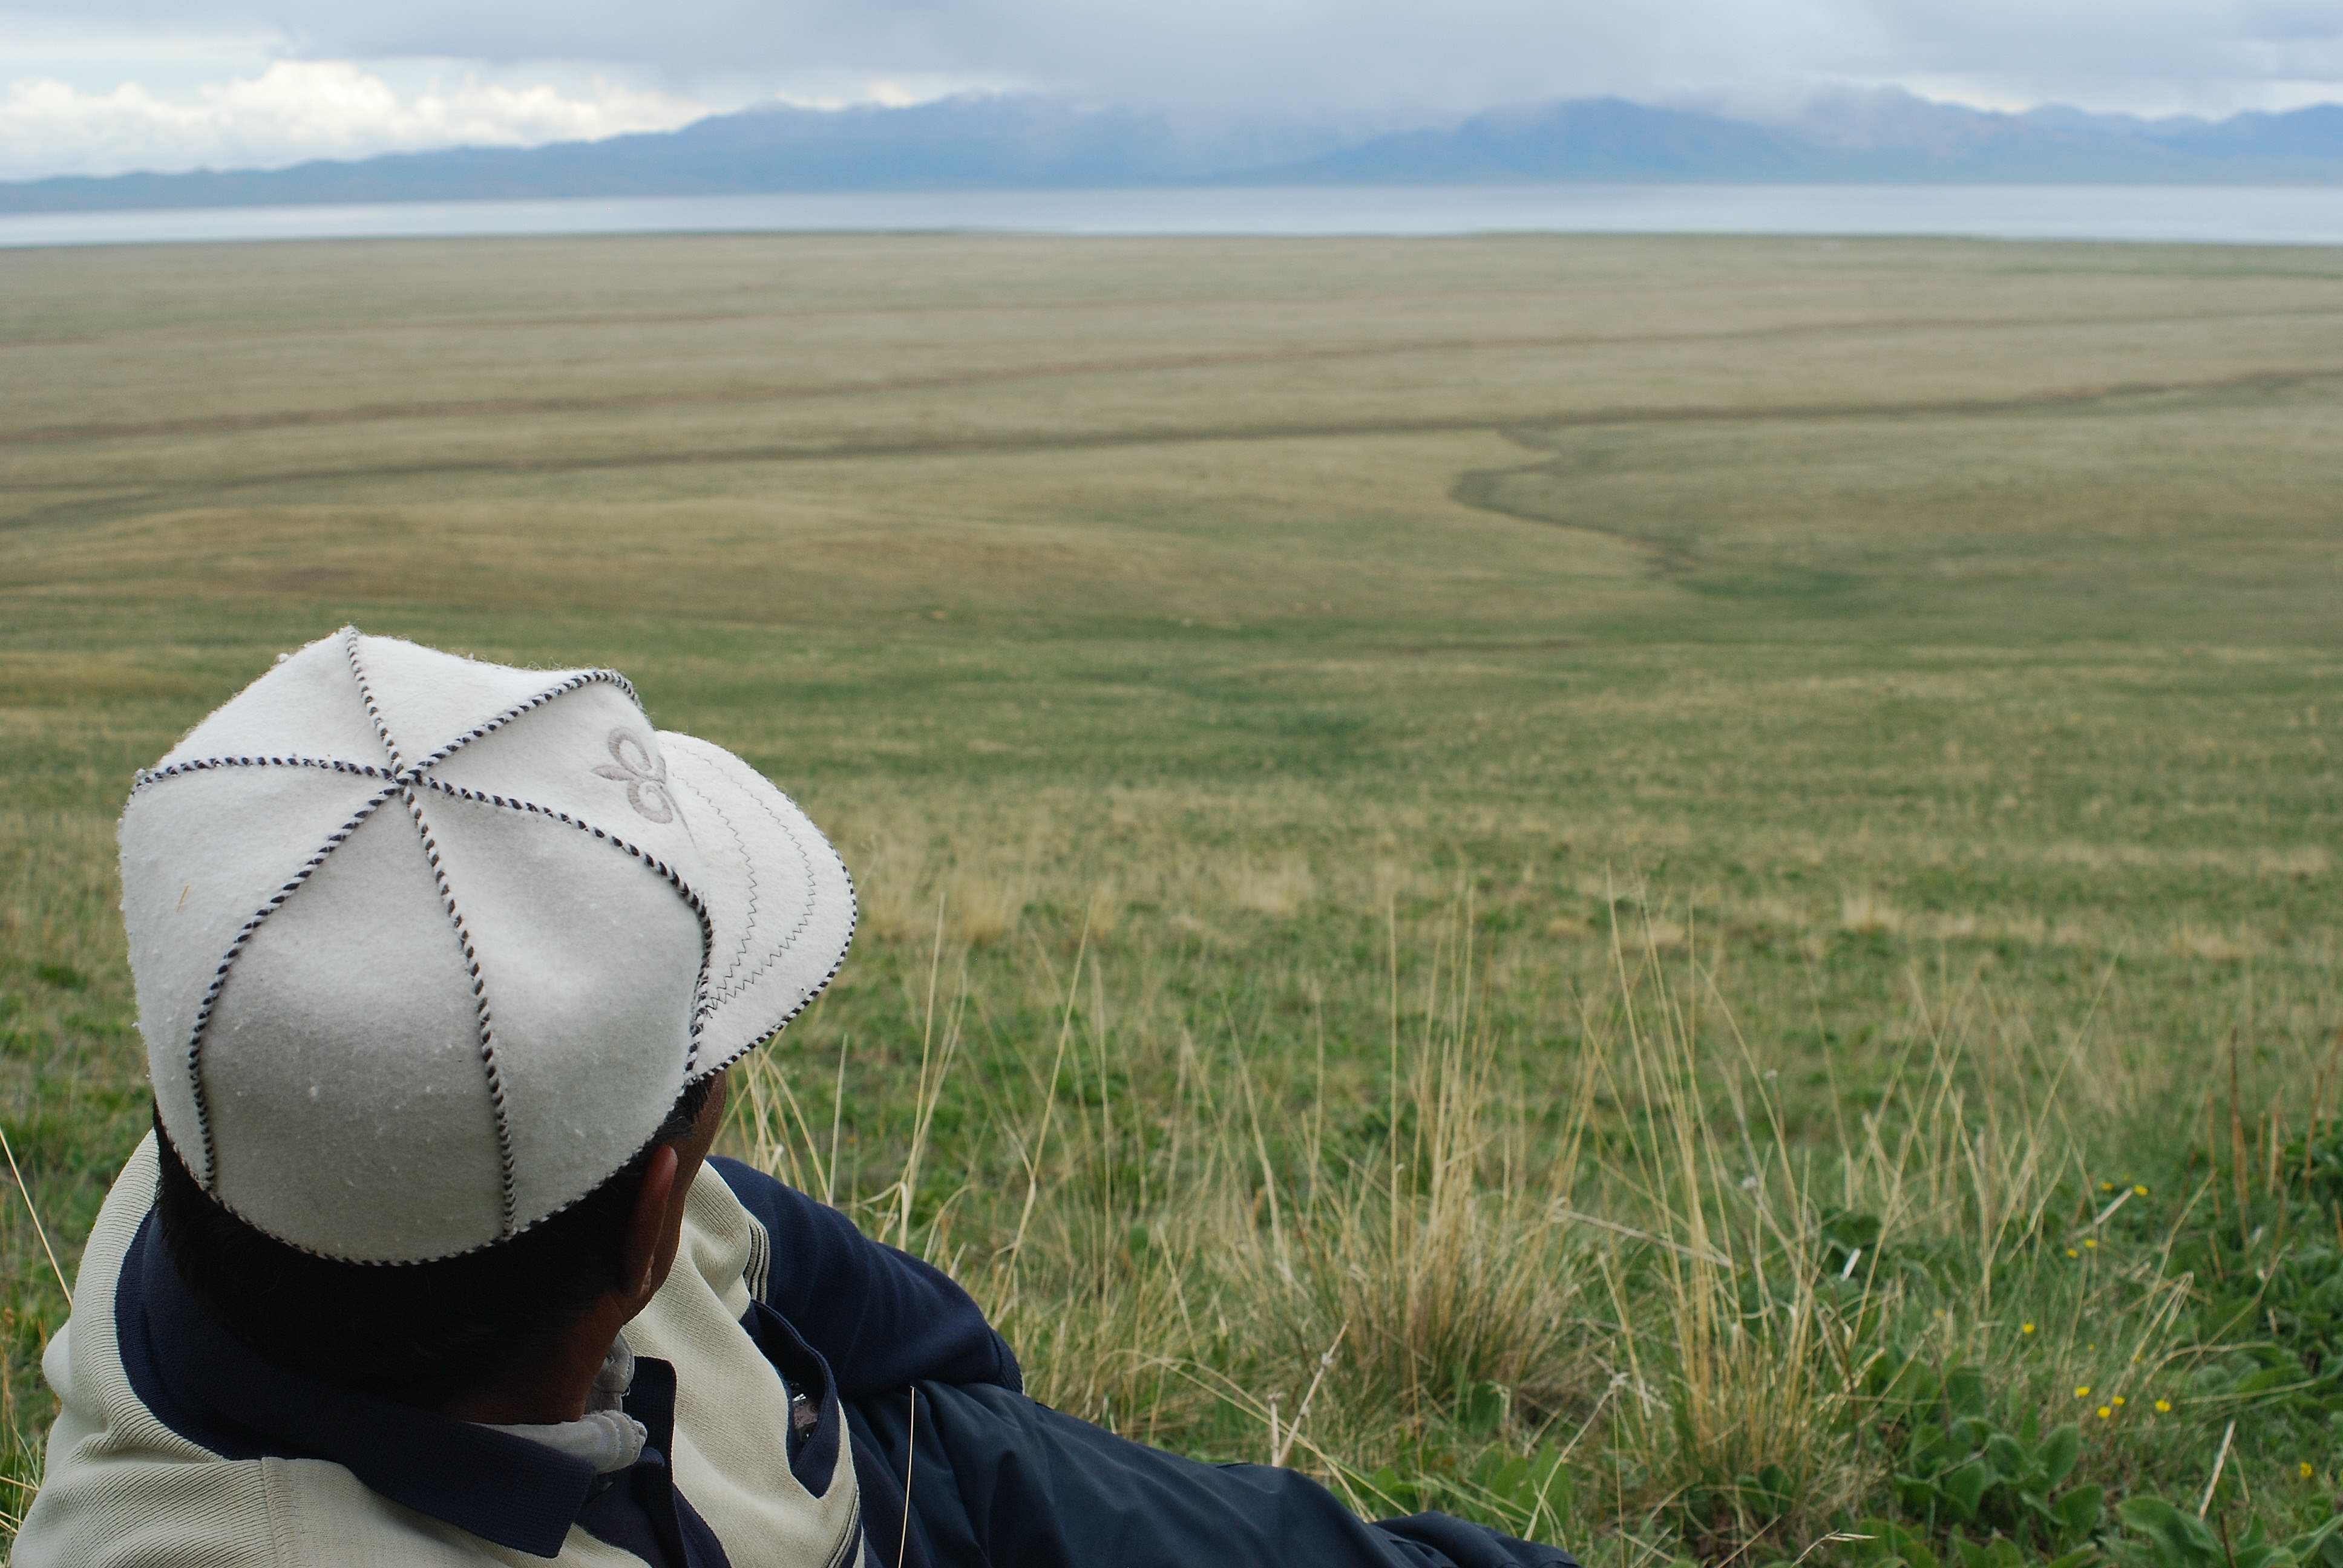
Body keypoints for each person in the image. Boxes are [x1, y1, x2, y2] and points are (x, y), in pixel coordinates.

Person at [16, 629, 1574, 1568]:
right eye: (699, 1112)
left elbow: (849, 1296)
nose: (713, 1160)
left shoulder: (283, 1140)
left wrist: (964, 1425)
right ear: (642, 1218)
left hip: (898, 1479)